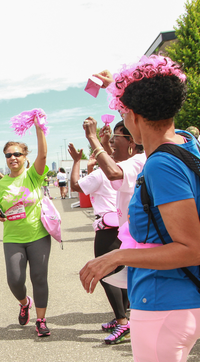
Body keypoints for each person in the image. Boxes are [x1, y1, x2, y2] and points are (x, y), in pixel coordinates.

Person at [79, 55, 200, 362]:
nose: (122, 120)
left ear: (135, 116)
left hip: (164, 303)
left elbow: (191, 247)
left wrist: (116, 256)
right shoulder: (187, 144)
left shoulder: (161, 164)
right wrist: (117, 85)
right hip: (183, 300)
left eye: (124, 113)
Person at [69, 122, 135, 345]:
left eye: (117, 139)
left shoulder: (105, 173)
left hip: (108, 228)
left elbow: (76, 186)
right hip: (125, 227)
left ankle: (123, 322)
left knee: (106, 274)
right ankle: (123, 318)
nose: (113, 145)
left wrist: (77, 161)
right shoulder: (130, 165)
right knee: (122, 273)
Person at [0, 114, 53, 337]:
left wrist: (39, 128)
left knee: (39, 277)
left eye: (17, 154)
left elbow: (43, 154)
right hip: (13, 238)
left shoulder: (33, 176)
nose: (13, 158)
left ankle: (41, 320)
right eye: (9, 155)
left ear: (25, 156)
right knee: (15, 280)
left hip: (37, 235)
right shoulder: (1, 183)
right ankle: (24, 302)